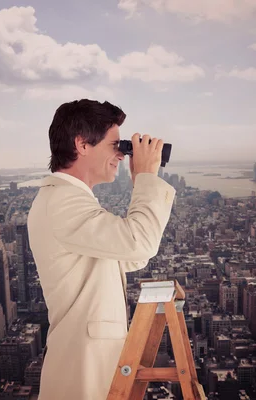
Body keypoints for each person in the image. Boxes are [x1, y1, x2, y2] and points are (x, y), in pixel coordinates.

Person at [27, 99, 176, 400]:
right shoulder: (63, 202)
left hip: (89, 364)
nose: (121, 155)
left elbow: (136, 254)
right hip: (82, 368)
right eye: (114, 145)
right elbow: (140, 241)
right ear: (82, 144)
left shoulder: (70, 201)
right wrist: (146, 177)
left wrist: (141, 179)